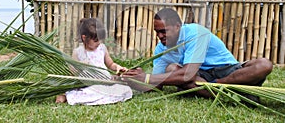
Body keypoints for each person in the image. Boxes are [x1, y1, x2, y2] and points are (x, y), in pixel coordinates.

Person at [123, 8, 273, 97]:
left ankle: (216, 88)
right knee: (171, 69)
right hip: (200, 77)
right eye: (157, 32)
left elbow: (187, 75)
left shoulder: (195, 32)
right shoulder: (161, 49)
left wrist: (149, 77)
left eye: (164, 31)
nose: (160, 36)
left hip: (227, 71)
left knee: (263, 65)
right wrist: (134, 79)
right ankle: (228, 92)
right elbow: (157, 85)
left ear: (177, 26)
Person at [56, 18, 131, 105]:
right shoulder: (78, 52)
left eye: (100, 39)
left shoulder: (102, 48)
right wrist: (81, 66)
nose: (99, 42)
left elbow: (110, 64)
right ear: (84, 38)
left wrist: (117, 67)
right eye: (96, 40)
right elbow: (73, 72)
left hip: (105, 83)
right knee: (88, 92)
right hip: (90, 85)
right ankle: (66, 96)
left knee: (125, 89)